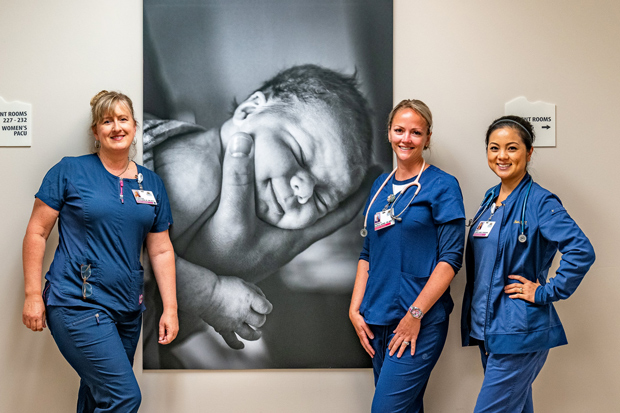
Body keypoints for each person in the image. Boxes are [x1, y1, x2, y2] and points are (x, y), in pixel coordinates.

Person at [142, 64, 377, 356]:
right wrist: (210, 295)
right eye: (299, 155)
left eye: (321, 199)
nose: (303, 192)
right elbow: (132, 254)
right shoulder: (196, 169)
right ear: (248, 111)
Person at [22, 91, 178, 412]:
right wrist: (32, 294)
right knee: (124, 397)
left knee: (98, 398)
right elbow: (37, 232)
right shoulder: (69, 172)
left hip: (127, 310)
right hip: (76, 303)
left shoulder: (151, 183)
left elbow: (161, 250)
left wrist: (171, 308)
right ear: (96, 132)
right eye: (107, 121)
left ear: (135, 127)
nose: (116, 127)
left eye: (123, 119)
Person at [461, 115, 595, 413]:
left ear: (528, 152)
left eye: (512, 148)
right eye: (494, 148)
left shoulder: (540, 202)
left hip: (518, 331)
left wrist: (545, 292)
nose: (502, 156)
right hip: (488, 330)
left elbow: (581, 250)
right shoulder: (490, 200)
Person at [349, 99, 466, 412]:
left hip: (419, 320)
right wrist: (354, 307)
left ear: (427, 138)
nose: (406, 138)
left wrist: (415, 315)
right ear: (389, 133)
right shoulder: (380, 186)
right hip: (376, 318)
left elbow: (451, 258)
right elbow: (367, 252)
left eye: (416, 132)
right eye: (399, 130)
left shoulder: (442, 186)